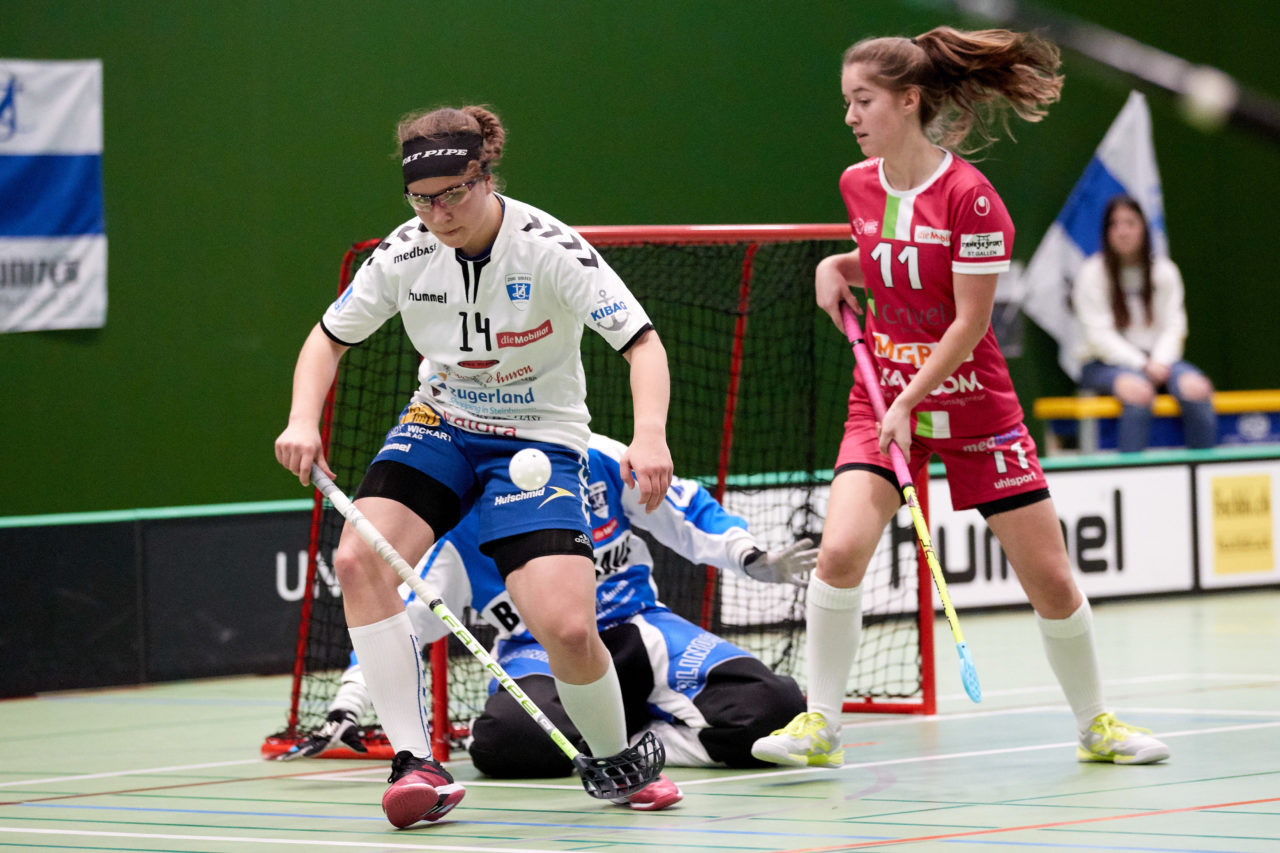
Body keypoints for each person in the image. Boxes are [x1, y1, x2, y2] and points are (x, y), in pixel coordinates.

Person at [751, 27, 1170, 770]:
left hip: (971, 406)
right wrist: (837, 264)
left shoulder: (973, 201)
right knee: (842, 550)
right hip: (881, 397)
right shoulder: (859, 183)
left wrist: (910, 397)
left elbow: (969, 319)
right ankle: (820, 725)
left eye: (864, 101)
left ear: (909, 100)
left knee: (1048, 576)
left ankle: (1096, 723)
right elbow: (887, 260)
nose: (850, 116)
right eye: (847, 102)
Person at [274, 105, 674, 829]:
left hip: (540, 438)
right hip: (442, 423)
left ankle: (619, 759)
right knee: (361, 557)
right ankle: (413, 760)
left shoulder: (551, 249)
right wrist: (303, 418)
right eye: (422, 199)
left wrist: (649, 437)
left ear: (485, 176)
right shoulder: (402, 253)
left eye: (453, 192)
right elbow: (326, 340)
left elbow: (642, 343)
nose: (439, 213)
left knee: (568, 626)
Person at [289, 433, 815, 811]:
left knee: (777, 709)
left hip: (640, 628)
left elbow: (685, 509)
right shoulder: (457, 531)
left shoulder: (600, 458)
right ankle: (612, 738)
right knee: (505, 744)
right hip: (538, 653)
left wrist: (750, 556)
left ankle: (629, 739)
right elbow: (399, 615)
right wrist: (351, 698)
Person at [1073, 195, 1216, 452]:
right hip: (1103, 364)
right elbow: (1099, 336)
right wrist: (1142, 365)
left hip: (1160, 361)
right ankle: (1131, 481)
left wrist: (1158, 362)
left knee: (1196, 388)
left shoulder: (1165, 271)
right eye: (1114, 225)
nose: (1122, 231)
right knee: (1138, 392)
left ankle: (1203, 474)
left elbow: (1175, 326)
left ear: (1144, 228)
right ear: (1106, 233)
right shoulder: (1091, 273)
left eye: (1130, 223)